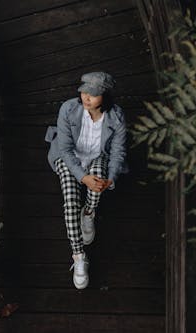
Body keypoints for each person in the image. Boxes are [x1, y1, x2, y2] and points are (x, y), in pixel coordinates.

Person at [44, 72, 128, 289]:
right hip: (69, 158)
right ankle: (79, 256)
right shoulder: (68, 109)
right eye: (84, 90)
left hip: (97, 157)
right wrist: (82, 177)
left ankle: (89, 212)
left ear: (106, 97)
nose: (86, 96)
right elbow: (65, 148)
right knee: (70, 203)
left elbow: (117, 152)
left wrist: (110, 178)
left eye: (94, 93)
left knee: (97, 188)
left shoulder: (116, 117)